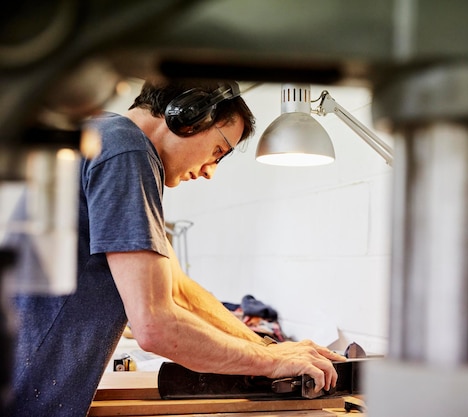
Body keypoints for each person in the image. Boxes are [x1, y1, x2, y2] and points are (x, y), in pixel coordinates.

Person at [4, 79, 345, 416]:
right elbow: (156, 327)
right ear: (188, 116)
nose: (211, 171)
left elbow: (178, 290)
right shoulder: (127, 151)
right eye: (219, 150)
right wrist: (271, 363)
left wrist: (268, 347)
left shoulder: (107, 137)